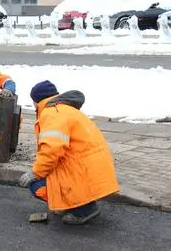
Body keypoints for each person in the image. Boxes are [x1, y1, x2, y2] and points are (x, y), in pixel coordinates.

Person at [19, 80, 120, 225]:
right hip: (89, 168)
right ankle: (74, 204)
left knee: (37, 185)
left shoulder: (51, 113)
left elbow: (51, 150)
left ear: (36, 101)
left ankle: (83, 210)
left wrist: (35, 173)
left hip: (80, 169)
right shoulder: (66, 109)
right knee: (50, 175)